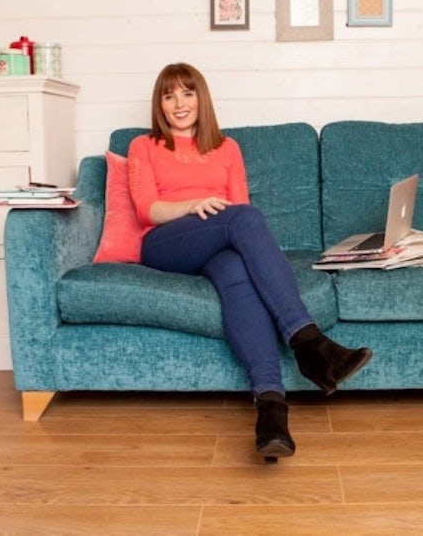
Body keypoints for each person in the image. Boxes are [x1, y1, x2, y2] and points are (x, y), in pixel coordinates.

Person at [127, 62, 372, 459]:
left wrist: (221, 219)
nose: (179, 103)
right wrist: (193, 205)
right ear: (160, 104)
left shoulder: (227, 148)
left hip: (218, 244)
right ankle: (308, 341)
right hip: (166, 242)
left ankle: (271, 409)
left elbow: (240, 213)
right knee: (243, 218)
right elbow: (147, 209)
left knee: (237, 270)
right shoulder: (144, 146)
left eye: (187, 93)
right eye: (169, 96)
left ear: (201, 98)